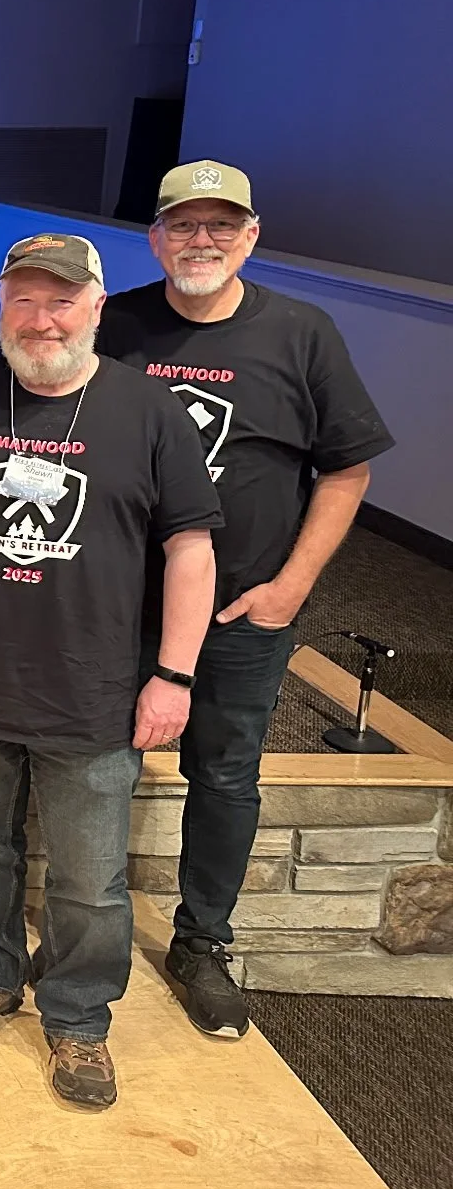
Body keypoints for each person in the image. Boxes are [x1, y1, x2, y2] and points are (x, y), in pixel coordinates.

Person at [0, 232, 220, 1109]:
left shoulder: (148, 414)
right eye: (23, 300)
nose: (41, 319)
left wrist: (174, 675)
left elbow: (190, 548)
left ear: (96, 306)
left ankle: (77, 1020)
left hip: (93, 693)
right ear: (1, 309)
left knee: (90, 881)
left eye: (61, 300)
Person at [99, 161, 393, 1040]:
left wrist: (292, 586)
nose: (202, 241)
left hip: (242, 608)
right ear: (155, 238)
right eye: (184, 226)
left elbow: (347, 468)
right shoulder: (115, 325)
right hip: (118, 603)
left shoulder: (302, 334)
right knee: (92, 769)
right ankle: (88, 926)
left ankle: (203, 943)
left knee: (223, 774)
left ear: (251, 237)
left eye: (221, 226)